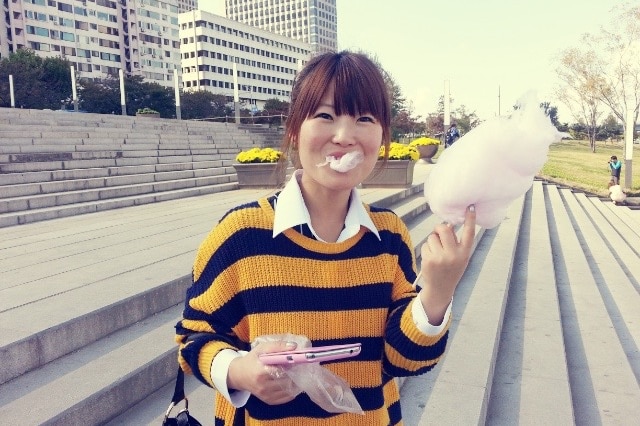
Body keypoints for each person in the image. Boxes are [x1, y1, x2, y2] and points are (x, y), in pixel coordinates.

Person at [175, 51, 476, 425]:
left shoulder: (389, 235)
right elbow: (194, 338)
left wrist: (438, 291)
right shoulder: (240, 233)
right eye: (325, 116)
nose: (344, 136)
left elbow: (405, 360)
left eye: (365, 119)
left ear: (383, 136)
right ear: (294, 129)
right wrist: (239, 371)